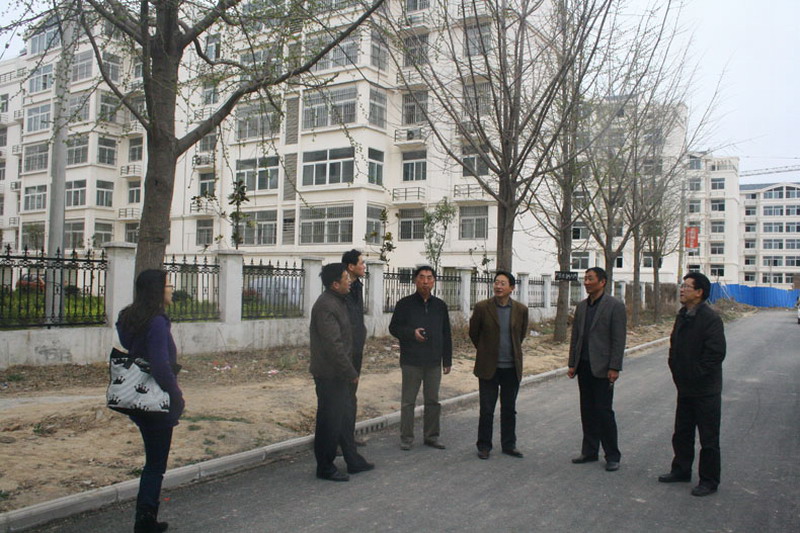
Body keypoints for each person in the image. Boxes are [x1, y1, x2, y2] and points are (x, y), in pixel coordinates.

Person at [116, 270, 185, 533]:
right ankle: (145, 520)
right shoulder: (156, 322)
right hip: (156, 397)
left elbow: (130, 346)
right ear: (157, 290)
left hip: (137, 394)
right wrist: (175, 395)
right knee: (155, 466)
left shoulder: (128, 317)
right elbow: (160, 364)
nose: (171, 289)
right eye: (168, 285)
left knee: (152, 461)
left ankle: (146, 518)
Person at [658, 272, 726, 497]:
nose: (682, 289)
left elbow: (715, 355)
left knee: (708, 438)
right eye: (682, 285)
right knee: (682, 432)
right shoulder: (683, 315)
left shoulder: (711, 319)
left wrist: (695, 375)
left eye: (687, 286)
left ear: (699, 292)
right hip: (685, 387)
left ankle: (709, 480)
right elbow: (674, 347)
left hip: (706, 390)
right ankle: (681, 469)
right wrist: (677, 372)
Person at [310, 263, 374, 482]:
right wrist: (349, 371)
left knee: (343, 418)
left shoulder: (339, 301)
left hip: (340, 372)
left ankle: (352, 460)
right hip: (330, 374)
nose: (349, 281)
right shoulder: (326, 306)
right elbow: (333, 345)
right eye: (346, 278)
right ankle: (325, 467)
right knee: (329, 422)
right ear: (335, 284)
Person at [567, 267, 626, 472]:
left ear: (602, 282)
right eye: (585, 278)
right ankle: (590, 451)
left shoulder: (615, 306)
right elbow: (576, 337)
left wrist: (614, 367)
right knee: (587, 410)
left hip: (603, 368)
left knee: (603, 411)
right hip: (583, 366)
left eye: (590, 279)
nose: (586, 282)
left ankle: (612, 455)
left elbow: (618, 339)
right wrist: (572, 363)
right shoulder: (582, 307)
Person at [389, 265, 452, 451]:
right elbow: (394, 328)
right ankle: (406, 438)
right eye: (422, 277)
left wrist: (447, 360)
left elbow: (446, 333)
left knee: (432, 401)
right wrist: (411, 333)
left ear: (434, 281)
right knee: (408, 401)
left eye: (429, 278)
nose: (425, 281)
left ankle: (431, 436)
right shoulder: (404, 304)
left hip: (433, 361)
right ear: (415, 280)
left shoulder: (440, 306)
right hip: (411, 360)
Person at [469, 271, 529, 460]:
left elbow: (520, 335)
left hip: (511, 367)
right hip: (489, 367)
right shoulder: (482, 307)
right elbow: (474, 333)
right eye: (496, 282)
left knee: (509, 409)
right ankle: (484, 446)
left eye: (503, 283)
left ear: (512, 288)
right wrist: (486, 350)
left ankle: (509, 445)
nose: (498, 286)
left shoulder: (521, 309)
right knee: (487, 409)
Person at [342, 249, 368, 447]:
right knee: (340, 396)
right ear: (351, 267)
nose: (364, 266)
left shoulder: (358, 286)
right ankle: (336, 440)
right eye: (361, 263)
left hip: (356, 349)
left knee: (351, 395)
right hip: (343, 351)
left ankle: (348, 437)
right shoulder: (340, 289)